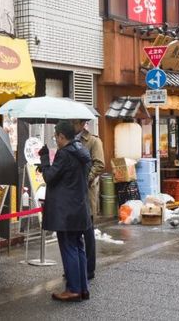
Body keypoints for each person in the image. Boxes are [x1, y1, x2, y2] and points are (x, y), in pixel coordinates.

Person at [43, 120, 92, 302]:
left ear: (62, 136)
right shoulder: (81, 150)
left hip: (66, 211)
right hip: (79, 208)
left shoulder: (64, 154)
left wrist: (44, 158)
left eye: (56, 136)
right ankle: (82, 288)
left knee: (69, 248)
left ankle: (73, 289)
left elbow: (49, 177)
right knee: (78, 246)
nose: (55, 139)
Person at [73, 119, 105, 280]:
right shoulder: (69, 140)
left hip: (87, 192)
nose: (72, 124)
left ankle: (89, 268)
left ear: (82, 123)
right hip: (72, 193)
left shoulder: (93, 141)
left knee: (88, 232)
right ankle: (74, 266)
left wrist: (87, 178)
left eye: (74, 122)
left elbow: (100, 164)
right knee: (73, 232)